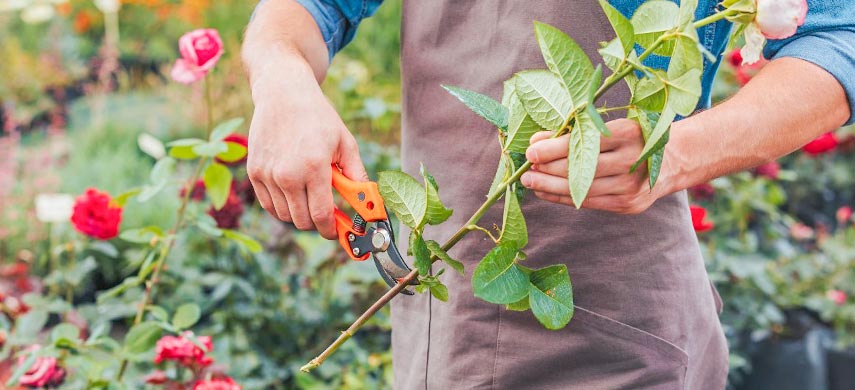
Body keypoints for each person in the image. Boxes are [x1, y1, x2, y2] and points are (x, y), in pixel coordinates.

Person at [242, 1, 855, 388]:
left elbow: (837, 36)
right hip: (443, 328)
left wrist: (677, 153)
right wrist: (281, 77)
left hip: (617, 341)